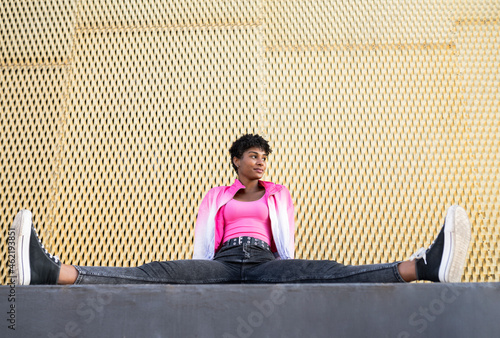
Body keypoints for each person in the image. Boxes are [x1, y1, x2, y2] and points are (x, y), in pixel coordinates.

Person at [12, 134, 471, 285]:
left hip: (268, 264)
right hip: (225, 263)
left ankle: (426, 264)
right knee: (159, 272)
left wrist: (285, 266)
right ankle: (51, 272)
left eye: (263, 157)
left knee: (327, 271)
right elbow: (204, 243)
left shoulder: (278, 194)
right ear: (236, 160)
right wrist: (204, 265)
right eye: (252, 155)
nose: (260, 161)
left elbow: (285, 240)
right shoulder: (216, 195)